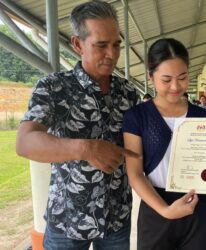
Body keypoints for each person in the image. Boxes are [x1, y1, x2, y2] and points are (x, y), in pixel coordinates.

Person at [16, 1, 140, 249]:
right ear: (77, 44)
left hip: (117, 218)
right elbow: (25, 142)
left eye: (116, 45)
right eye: (101, 45)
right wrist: (86, 149)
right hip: (68, 220)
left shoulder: (127, 92)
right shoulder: (53, 87)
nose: (112, 54)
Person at [123, 38, 206, 250]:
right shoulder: (137, 117)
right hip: (157, 205)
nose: (175, 87)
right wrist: (165, 210)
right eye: (166, 80)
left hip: (198, 207)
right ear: (151, 76)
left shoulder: (202, 115)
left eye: (182, 78)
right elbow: (135, 173)